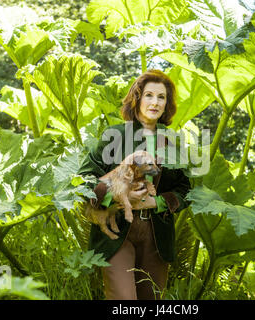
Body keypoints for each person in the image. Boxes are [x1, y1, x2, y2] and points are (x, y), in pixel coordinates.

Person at [78, 69, 190, 300]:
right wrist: (116, 195)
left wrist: (156, 202)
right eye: (149, 95)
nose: (155, 102)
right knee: (124, 299)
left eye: (161, 97)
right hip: (117, 232)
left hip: (157, 235)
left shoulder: (173, 141)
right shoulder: (114, 135)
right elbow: (84, 182)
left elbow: (186, 189)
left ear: (167, 103)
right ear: (137, 98)